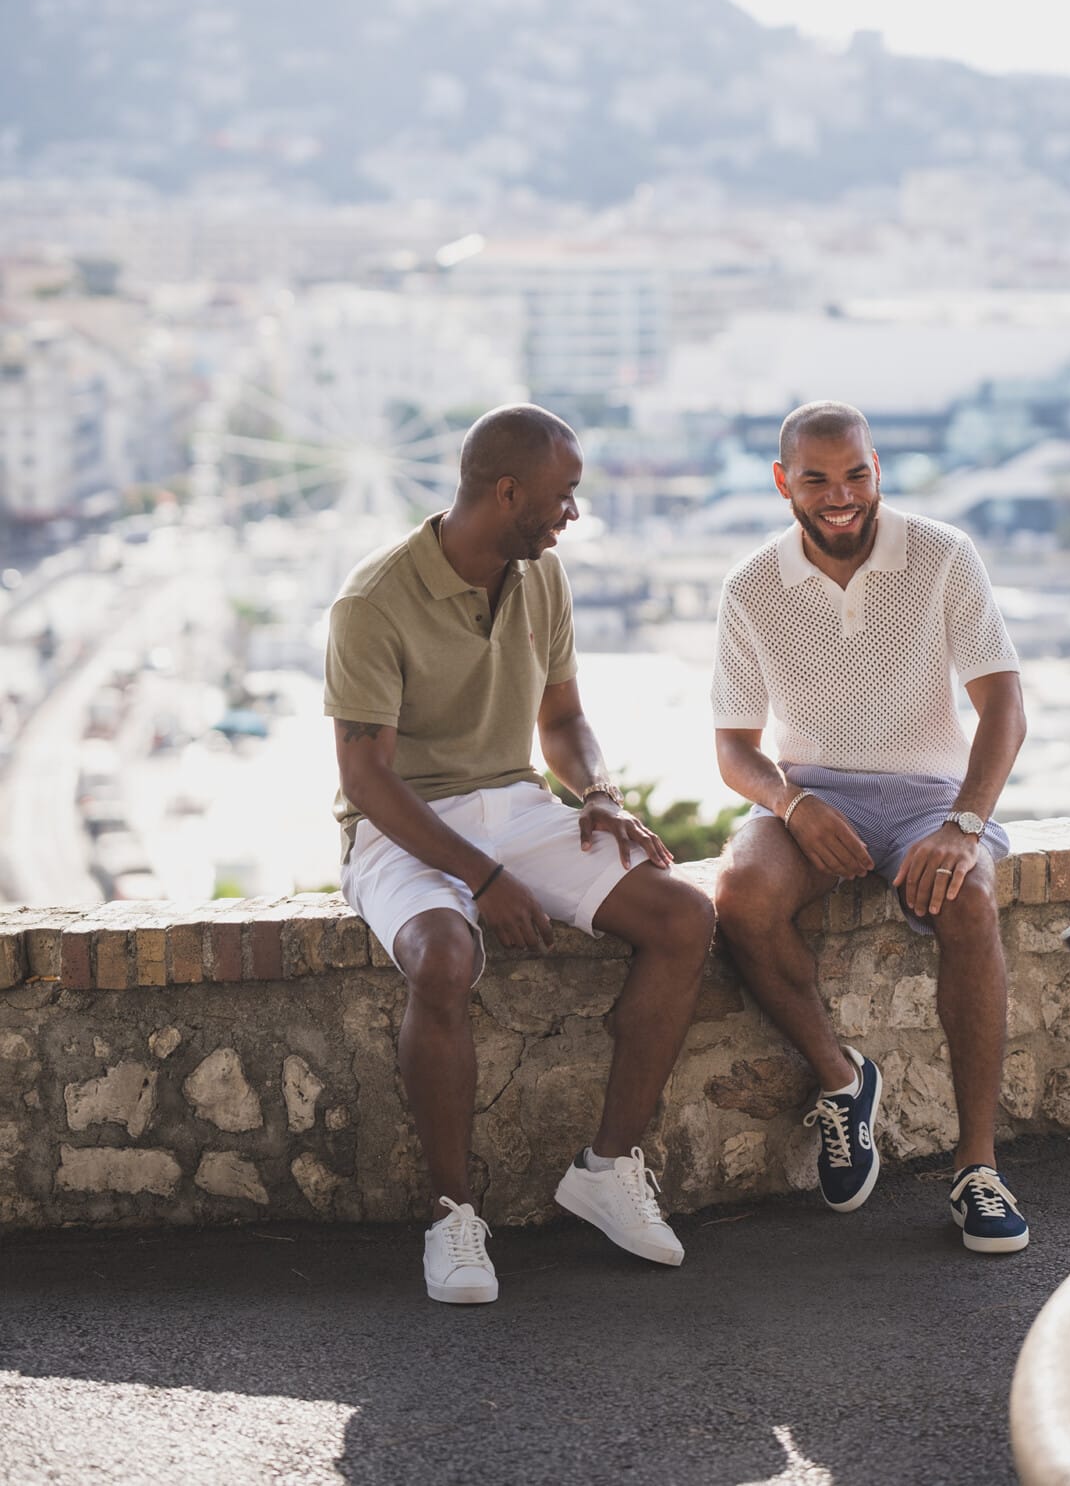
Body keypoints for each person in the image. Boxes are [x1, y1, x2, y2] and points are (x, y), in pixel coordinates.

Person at [325, 404, 715, 1304]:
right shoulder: (372, 601)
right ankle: (452, 1216)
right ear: (507, 492)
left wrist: (601, 794)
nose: (573, 512)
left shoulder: (542, 576)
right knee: (442, 958)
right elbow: (367, 778)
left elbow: (564, 720)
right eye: (563, 494)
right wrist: (484, 878)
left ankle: (608, 1169)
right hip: (402, 822)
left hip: (517, 804)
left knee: (683, 916)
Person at [710, 400, 1030, 1253]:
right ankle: (842, 1080)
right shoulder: (751, 586)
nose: (841, 495)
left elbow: (1003, 707)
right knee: (740, 895)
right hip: (814, 794)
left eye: (856, 474)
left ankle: (978, 1168)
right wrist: (794, 804)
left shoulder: (942, 553)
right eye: (816, 480)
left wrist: (964, 823)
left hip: (932, 797)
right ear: (783, 482)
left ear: (877, 467)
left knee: (969, 901)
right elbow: (735, 750)